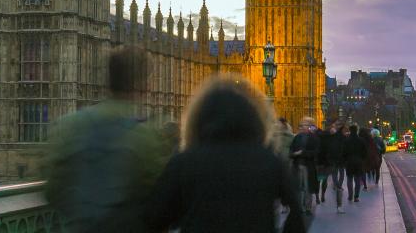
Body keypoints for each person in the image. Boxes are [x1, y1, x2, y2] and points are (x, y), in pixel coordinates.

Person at [143, 76, 306, 233]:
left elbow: (154, 217)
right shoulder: (270, 161)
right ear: (252, 118)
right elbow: (296, 212)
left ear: (199, 118)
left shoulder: (184, 161)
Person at [44, 48, 171, 233]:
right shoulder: (145, 136)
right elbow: (159, 202)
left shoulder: (70, 125)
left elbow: (52, 191)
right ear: (142, 85)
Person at [290, 117, 320, 212]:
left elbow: (316, 152)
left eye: (305, 124)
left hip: (308, 166)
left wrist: (302, 153)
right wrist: (294, 154)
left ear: (310, 126)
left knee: (308, 188)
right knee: (298, 187)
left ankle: (308, 207)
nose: (303, 126)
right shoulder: (297, 137)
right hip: (297, 165)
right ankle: (299, 206)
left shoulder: (314, 138)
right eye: (302, 124)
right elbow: (291, 149)